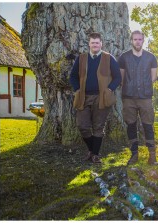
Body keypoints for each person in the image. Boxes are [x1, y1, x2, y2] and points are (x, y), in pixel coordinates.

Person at [70, 32, 122, 163]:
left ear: (101, 44)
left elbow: (118, 77)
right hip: (84, 97)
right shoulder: (81, 58)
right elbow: (72, 76)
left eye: (97, 43)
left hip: (101, 97)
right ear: (89, 44)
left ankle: (95, 154)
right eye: (92, 42)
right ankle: (92, 150)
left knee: (98, 126)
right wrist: (77, 89)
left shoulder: (108, 58)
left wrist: (110, 89)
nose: (95, 45)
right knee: (82, 125)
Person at [118, 30, 158, 165]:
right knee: (131, 125)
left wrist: (143, 86)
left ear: (143, 40)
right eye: (135, 39)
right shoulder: (124, 57)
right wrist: (130, 87)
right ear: (131, 40)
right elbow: (121, 78)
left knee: (148, 125)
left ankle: (152, 155)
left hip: (145, 97)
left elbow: (153, 77)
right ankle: (134, 154)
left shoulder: (151, 57)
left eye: (140, 39)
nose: (137, 41)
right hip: (129, 97)